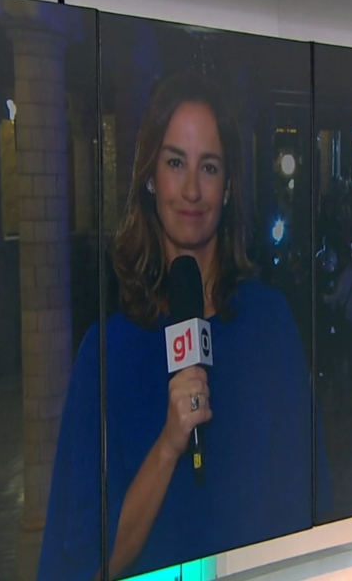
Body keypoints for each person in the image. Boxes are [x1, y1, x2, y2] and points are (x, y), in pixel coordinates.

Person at [37, 71, 314, 580]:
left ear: (228, 187)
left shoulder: (269, 326)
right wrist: (169, 442)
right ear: (149, 178)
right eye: (174, 163)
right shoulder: (107, 352)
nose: (191, 189)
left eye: (208, 167)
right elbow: (86, 561)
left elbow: (303, 518)